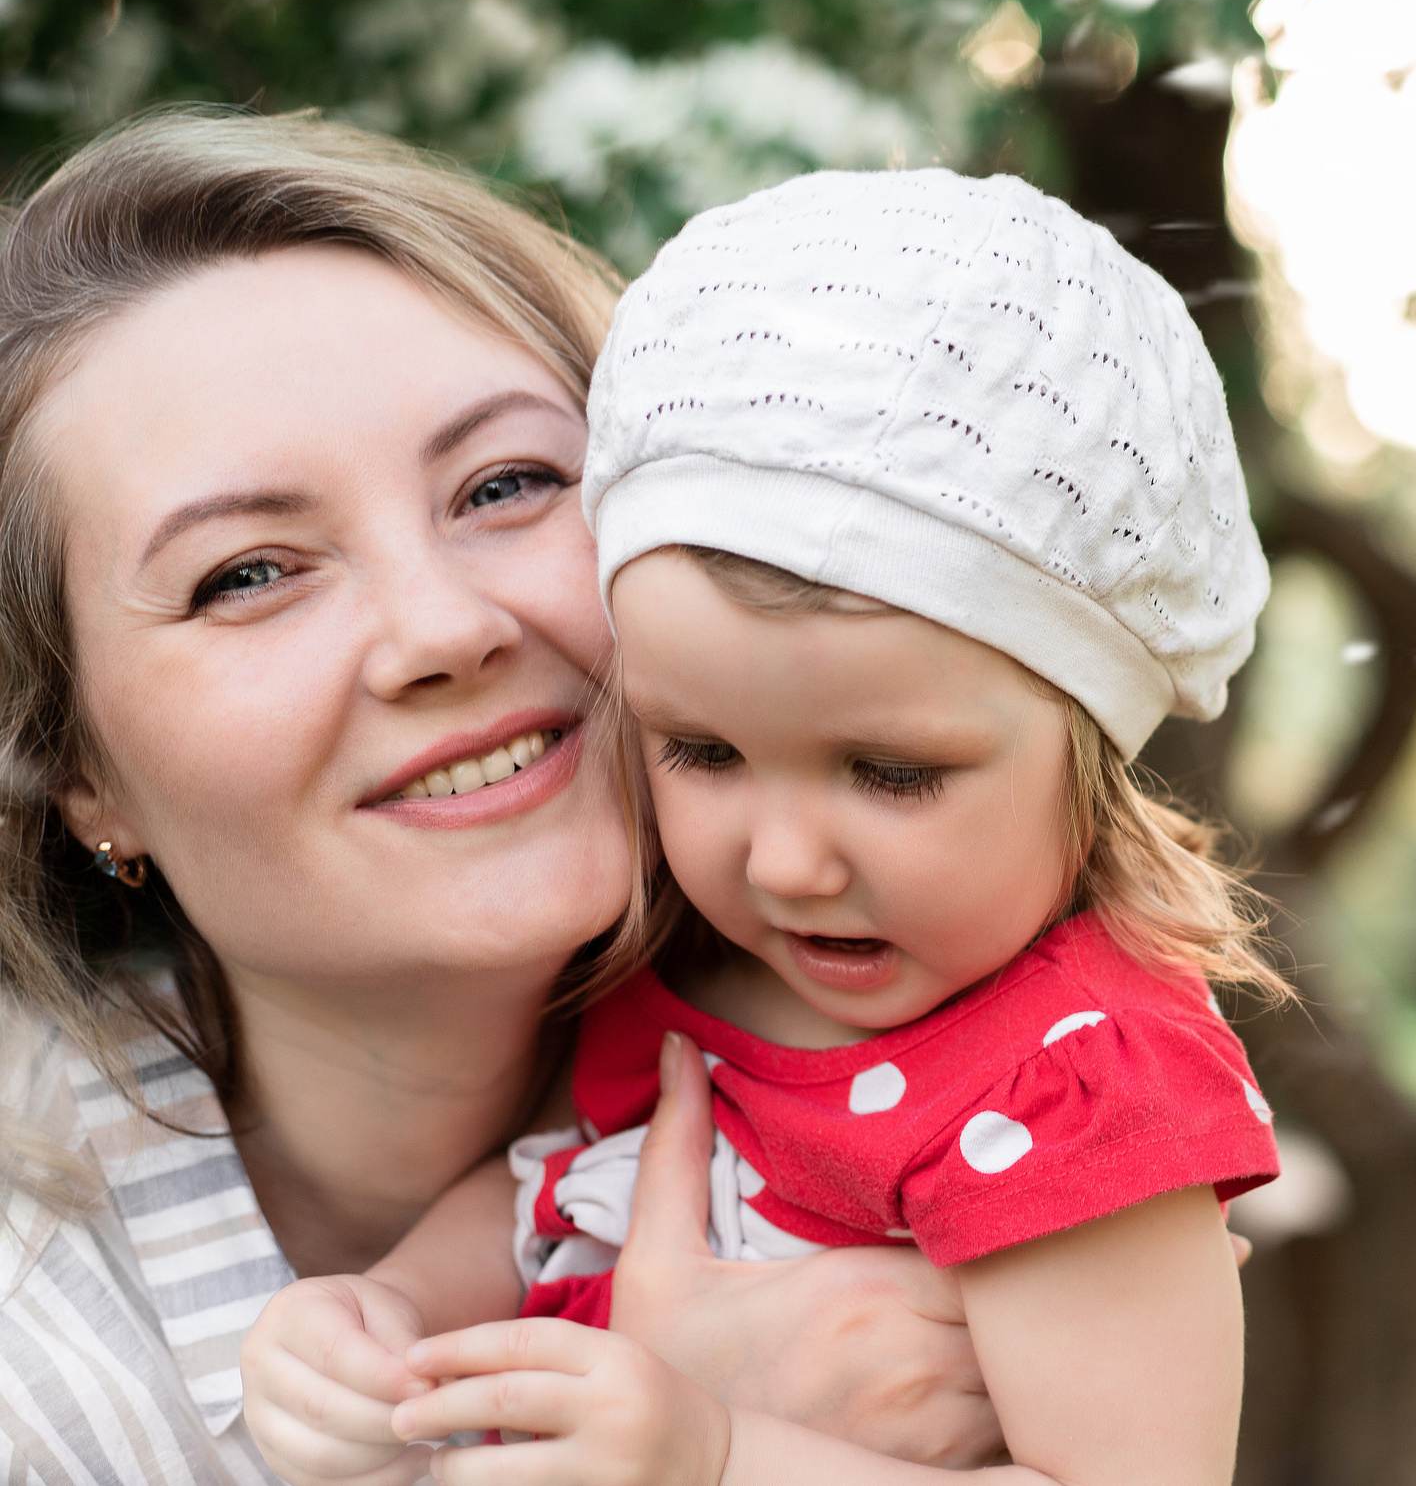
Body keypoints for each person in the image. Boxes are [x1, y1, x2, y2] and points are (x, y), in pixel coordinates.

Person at [0, 110, 999, 1485]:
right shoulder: (36, 1372)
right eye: (248, 574)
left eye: (508, 484)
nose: (445, 629)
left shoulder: (974, 1068)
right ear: (83, 775)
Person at [258, 168, 1288, 1485]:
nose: (785, 864)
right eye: (703, 753)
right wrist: (386, 1311)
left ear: (1088, 754)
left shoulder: (1072, 1089)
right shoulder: (685, 964)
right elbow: (557, 1188)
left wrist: (718, 1455)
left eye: (891, 772)